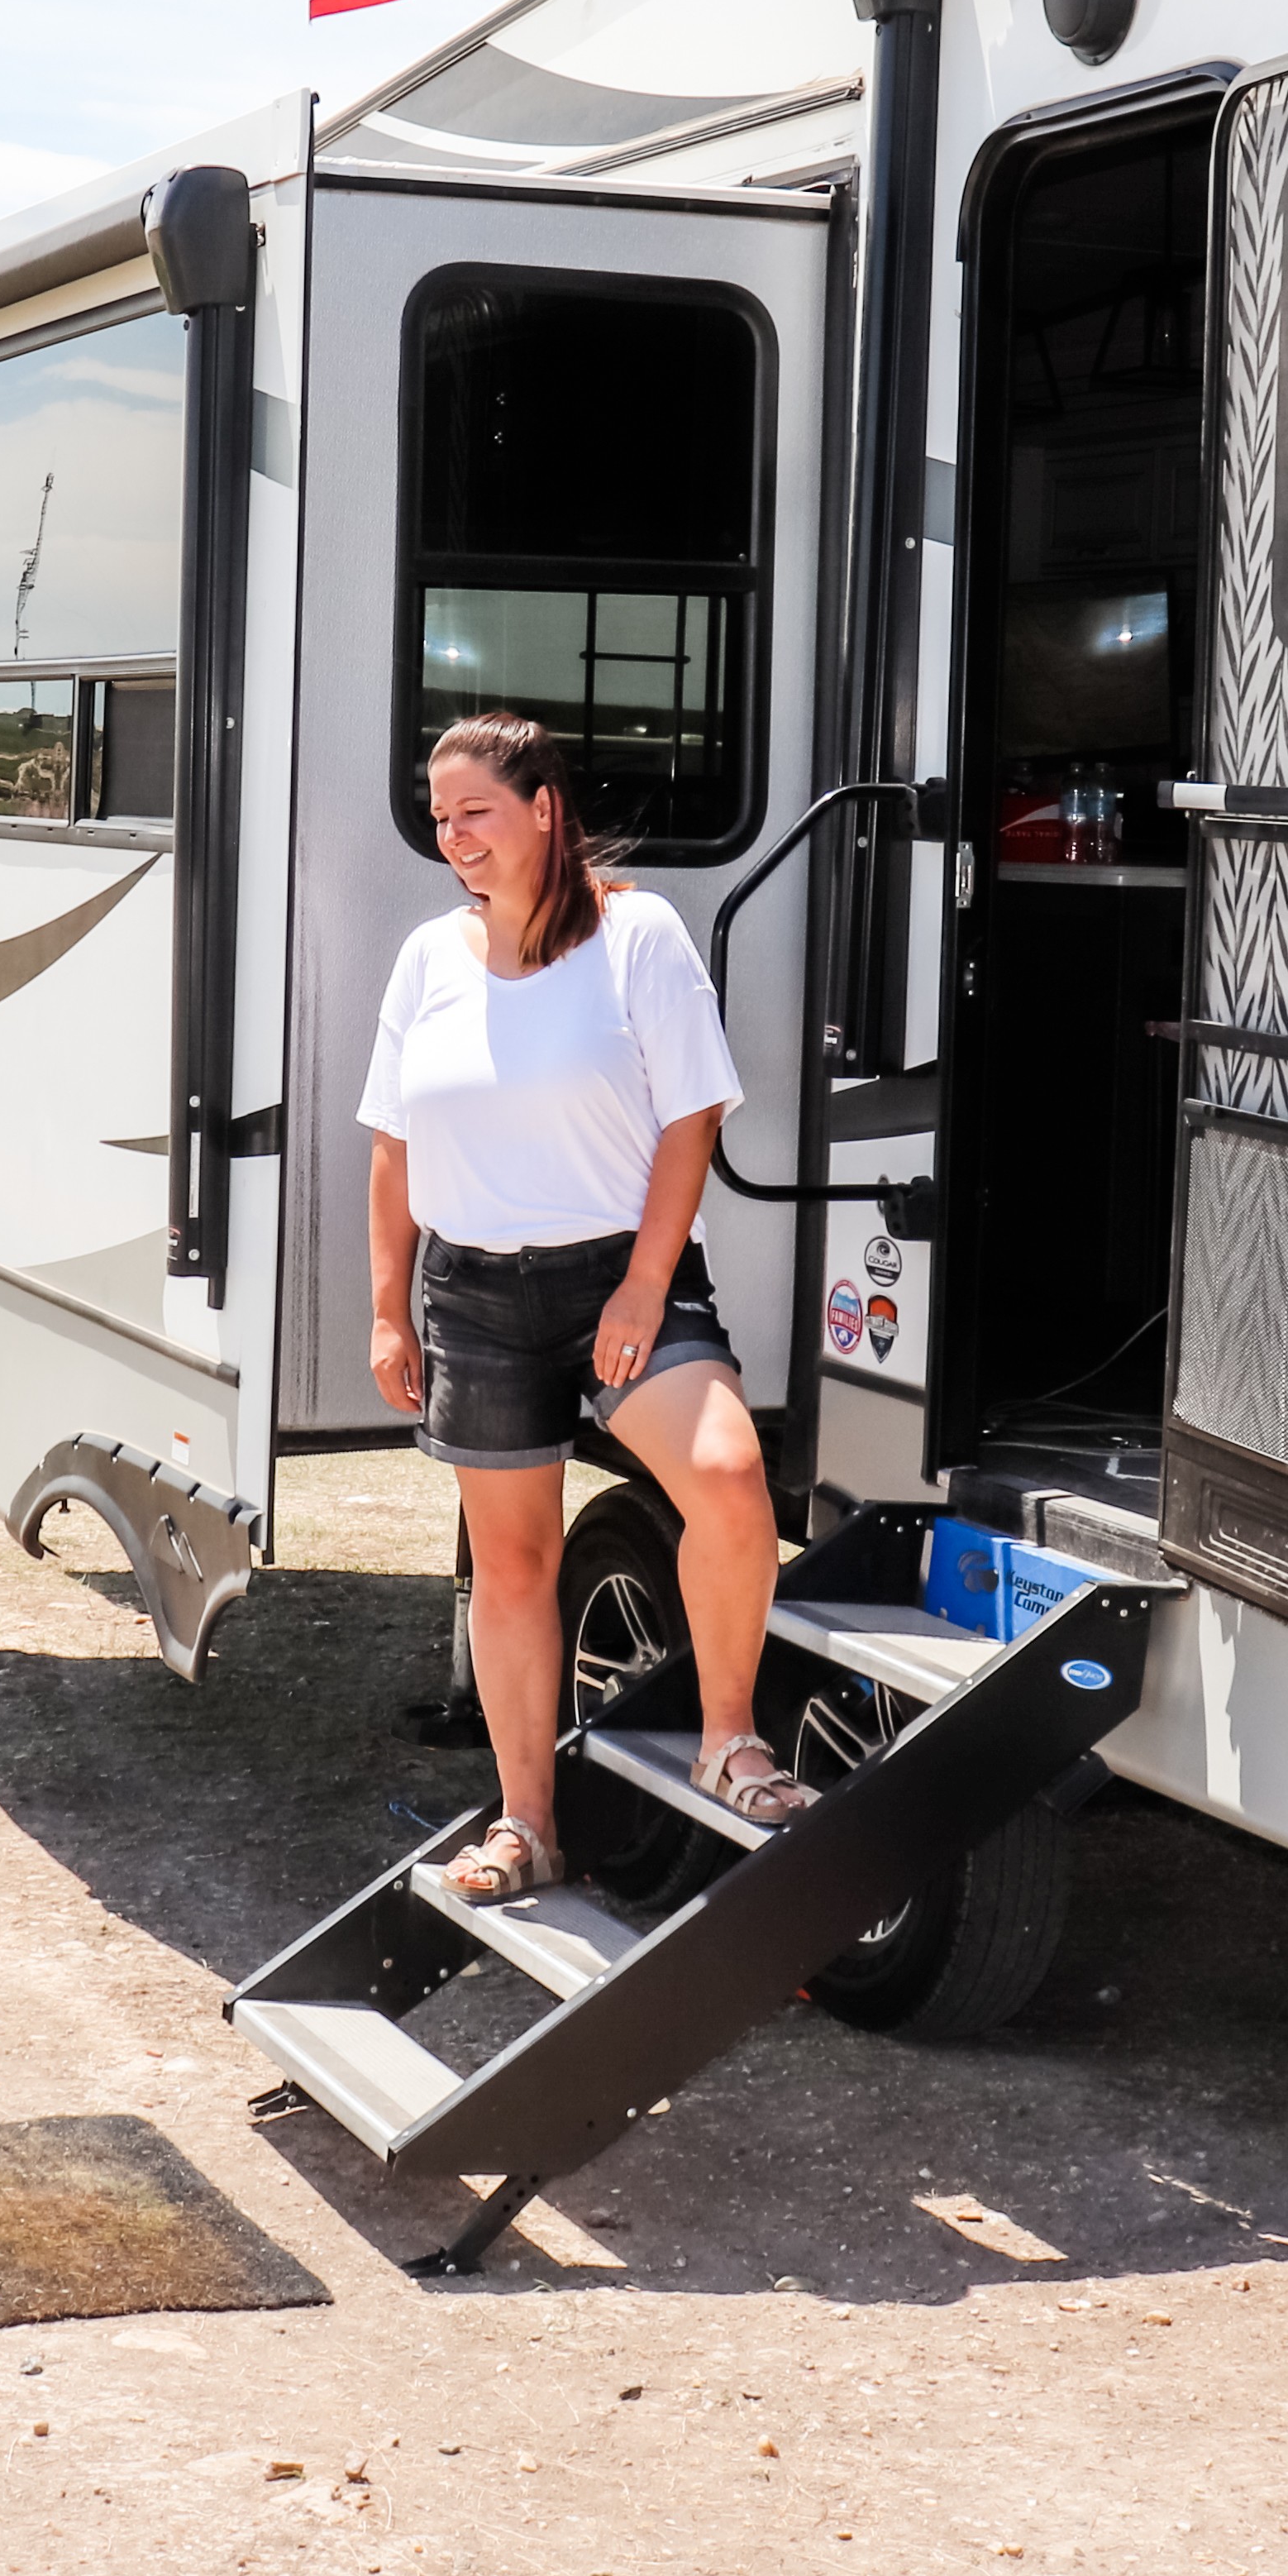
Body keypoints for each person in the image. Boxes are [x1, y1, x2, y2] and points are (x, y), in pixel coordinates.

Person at [360, 711, 811, 1906]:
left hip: (621, 1271)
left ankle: (730, 1741)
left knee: (729, 1479)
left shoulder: (637, 934)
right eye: (441, 817)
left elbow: (692, 1118)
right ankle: (527, 1826)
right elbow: (393, 1147)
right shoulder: (429, 957)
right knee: (513, 1565)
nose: (455, 836)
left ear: (545, 808)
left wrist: (646, 1287)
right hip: (472, 1293)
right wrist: (390, 1310)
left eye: (477, 811)